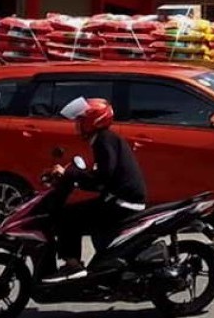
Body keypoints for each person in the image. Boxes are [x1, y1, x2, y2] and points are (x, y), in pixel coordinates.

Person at [47, 97, 147, 281]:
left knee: (68, 216)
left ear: (93, 121)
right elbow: (102, 176)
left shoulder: (103, 140)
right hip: (119, 198)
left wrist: (74, 176)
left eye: (81, 120)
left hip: (123, 202)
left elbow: (104, 177)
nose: (77, 125)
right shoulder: (105, 139)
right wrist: (76, 176)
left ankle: (72, 265)